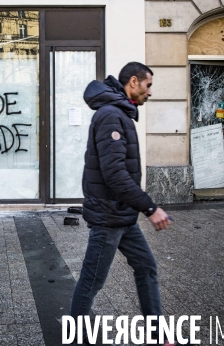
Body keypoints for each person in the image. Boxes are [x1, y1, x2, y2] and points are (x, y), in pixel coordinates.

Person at [69, 62, 174, 345]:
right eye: (148, 85)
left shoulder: (119, 114)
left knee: (146, 266)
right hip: (109, 215)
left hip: (121, 214)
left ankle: (158, 335)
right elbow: (115, 174)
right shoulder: (111, 116)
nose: (150, 92)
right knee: (92, 282)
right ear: (134, 82)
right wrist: (150, 208)